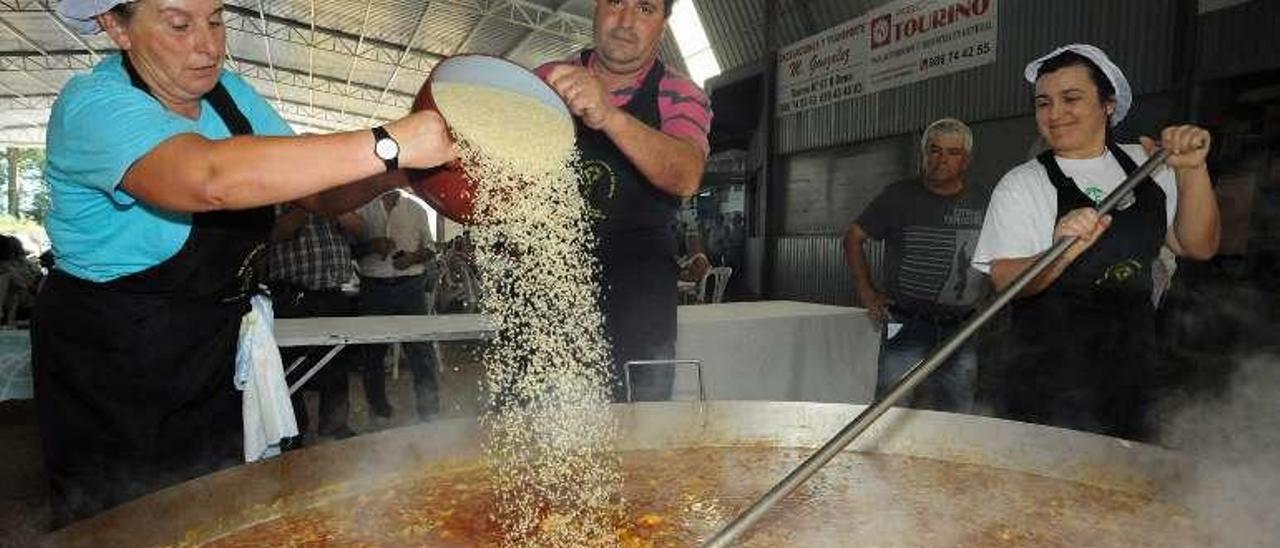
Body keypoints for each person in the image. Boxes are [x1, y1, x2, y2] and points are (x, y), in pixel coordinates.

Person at [34, 0, 454, 527]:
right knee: (122, 521)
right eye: (179, 24)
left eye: (215, 20)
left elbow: (320, 195)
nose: (208, 45)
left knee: (214, 505)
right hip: (112, 364)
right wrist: (388, 143)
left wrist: (404, 174)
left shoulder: (231, 97)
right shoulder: (92, 105)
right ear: (116, 26)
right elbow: (207, 179)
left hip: (210, 346)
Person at [972, 44, 1219, 440]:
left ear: (1108, 104)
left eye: (1071, 98)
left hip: (1133, 369)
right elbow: (1005, 280)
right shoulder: (1023, 184)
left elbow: (1198, 245)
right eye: (1043, 103)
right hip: (1047, 377)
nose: (1055, 113)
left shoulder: (1147, 164)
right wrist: (1060, 254)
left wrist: (1192, 171)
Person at [535, 0, 712, 402]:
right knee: (540, 418)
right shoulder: (547, 81)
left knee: (639, 418)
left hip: (639, 285)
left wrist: (609, 115)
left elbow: (686, 174)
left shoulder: (679, 93)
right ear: (596, 7)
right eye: (617, 2)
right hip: (550, 276)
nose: (627, 21)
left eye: (646, 8)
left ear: (663, 26)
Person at [843, 118, 989, 413]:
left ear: (967, 160)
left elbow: (1002, 252)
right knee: (890, 408)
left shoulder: (983, 200)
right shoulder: (899, 196)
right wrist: (867, 293)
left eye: (952, 152)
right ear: (923, 154)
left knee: (958, 411)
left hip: (961, 329)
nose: (941, 159)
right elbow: (853, 238)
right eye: (934, 150)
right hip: (906, 322)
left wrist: (994, 301)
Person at [267, 206, 363, 442]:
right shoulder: (277, 193)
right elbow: (276, 233)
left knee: (336, 360)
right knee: (292, 364)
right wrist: (307, 204)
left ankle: (335, 426)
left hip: (334, 293)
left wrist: (331, 204)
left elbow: (360, 227)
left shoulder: (334, 195)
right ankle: (293, 431)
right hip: (293, 295)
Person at [354, 189, 439, 422]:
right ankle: (379, 409)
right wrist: (371, 246)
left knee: (420, 350)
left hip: (410, 287)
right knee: (372, 353)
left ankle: (428, 409)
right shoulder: (362, 207)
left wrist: (412, 258)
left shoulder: (416, 208)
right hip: (374, 288)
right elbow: (350, 249)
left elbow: (430, 248)